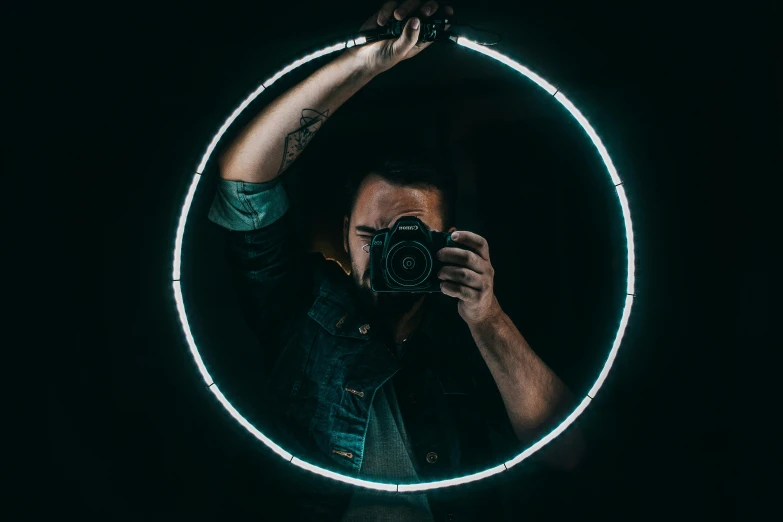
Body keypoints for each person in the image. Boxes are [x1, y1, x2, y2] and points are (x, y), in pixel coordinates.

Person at [207, 2, 584, 520]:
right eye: (371, 234)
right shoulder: (300, 309)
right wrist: (365, 62)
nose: (391, 253)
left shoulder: (467, 338)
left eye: (412, 238)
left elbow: (564, 452)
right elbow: (242, 184)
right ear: (344, 234)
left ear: (449, 239)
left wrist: (487, 316)